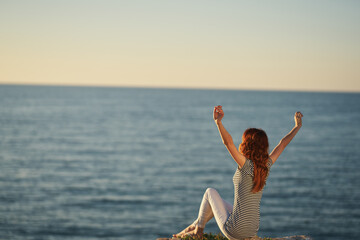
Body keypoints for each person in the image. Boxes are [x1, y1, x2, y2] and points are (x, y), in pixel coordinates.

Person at [173, 105, 303, 240]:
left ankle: (197, 231)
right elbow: (282, 144)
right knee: (219, 203)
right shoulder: (266, 165)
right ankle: (193, 226)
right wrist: (297, 126)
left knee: (210, 192)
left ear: (247, 144)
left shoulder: (245, 165)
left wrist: (218, 122)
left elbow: (228, 143)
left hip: (234, 232)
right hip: (252, 230)